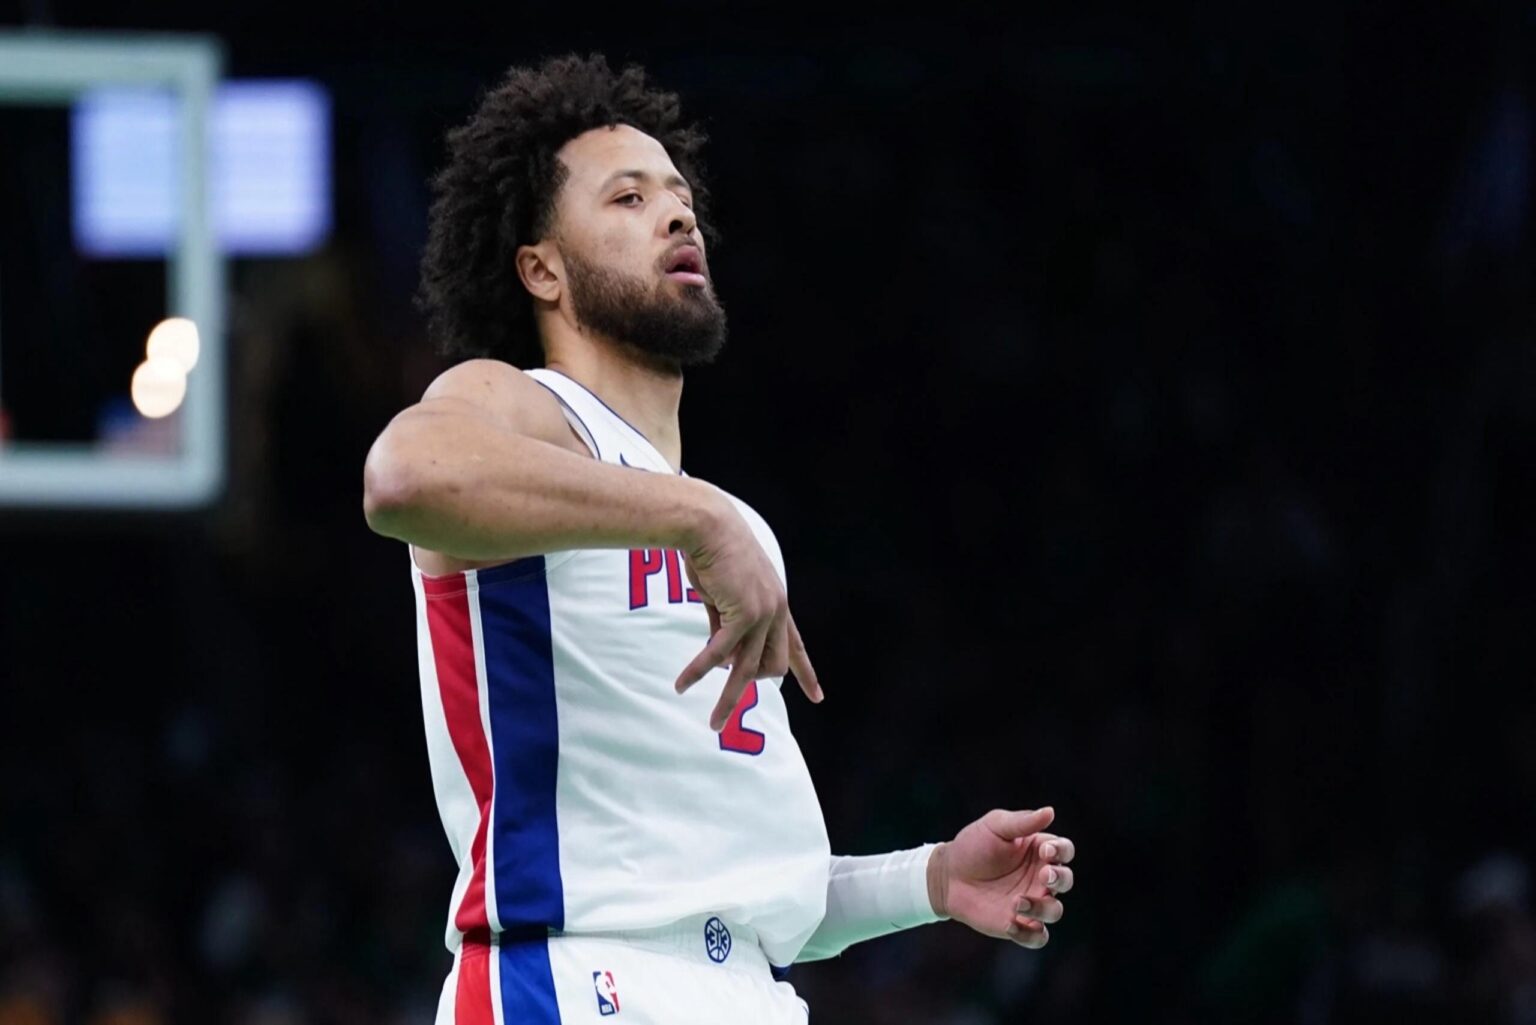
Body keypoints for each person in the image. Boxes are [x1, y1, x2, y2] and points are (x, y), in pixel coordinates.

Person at [363, 53, 1076, 1025]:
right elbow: (406, 477)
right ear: (541, 267)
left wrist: (937, 877)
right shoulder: (525, 408)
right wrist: (690, 514)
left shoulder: (735, 532)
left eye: (680, 195)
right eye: (626, 197)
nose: (677, 214)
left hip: (743, 990)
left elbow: (750, 891)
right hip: (570, 979)